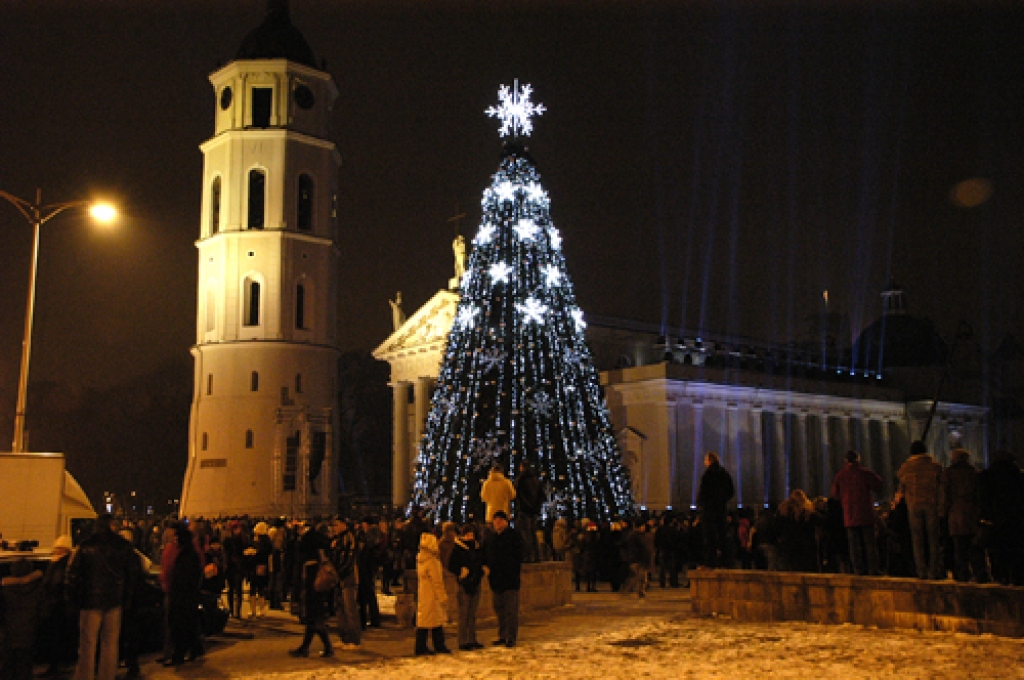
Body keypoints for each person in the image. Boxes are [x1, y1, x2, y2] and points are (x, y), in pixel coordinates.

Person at [65, 513, 138, 680]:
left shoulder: (85, 546)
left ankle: (85, 676)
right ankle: (107, 675)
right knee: (110, 644)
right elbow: (131, 575)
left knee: (87, 646)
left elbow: (72, 575)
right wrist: (126, 598)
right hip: (114, 600)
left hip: (89, 601)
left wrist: (72, 599)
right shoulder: (124, 546)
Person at [831, 449, 883, 575]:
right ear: (858, 459)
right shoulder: (865, 473)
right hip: (866, 514)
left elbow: (835, 495)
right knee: (869, 544)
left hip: (850, 515)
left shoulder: (840, 476)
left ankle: (858, 570)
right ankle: (873, 569)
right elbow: (879, 485)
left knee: (854, 546)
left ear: (846, 460)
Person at [897, 440, 944, 579]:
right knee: (933, 539)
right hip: (931, 504)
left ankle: (921, 570)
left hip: (913, 505)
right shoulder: (935, 466)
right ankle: (934, 570)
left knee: (917, 540)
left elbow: (901, 485)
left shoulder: (906, 467)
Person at [941, 448, 986, 583]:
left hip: (956, 514)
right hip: (972, 514)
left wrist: (942, 513)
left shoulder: (948, 474)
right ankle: (980, 573)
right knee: (975, 546)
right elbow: (979, 495)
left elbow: (944, 496)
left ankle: (962, 574)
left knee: (959, 547)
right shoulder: (974, 473)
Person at [289, 523, 333, 658]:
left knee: (313, 618)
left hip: (311, 587)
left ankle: (325, 647)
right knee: (313, 618)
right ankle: (308, 647)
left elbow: (298, 574)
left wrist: (296, 594)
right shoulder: (321, 549)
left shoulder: (306, 555)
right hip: (319, 586)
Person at [482, 510, 524, 647]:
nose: (498, 522)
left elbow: (520, 555)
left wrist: (512, 569)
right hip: (495, 580)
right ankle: (502, 635)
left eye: (500, 520)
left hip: (510, 579)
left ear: (506, 521)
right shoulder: (490, 538)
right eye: (496, 520)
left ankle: (511, 637)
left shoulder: (514, 536)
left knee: (511, 610)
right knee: (499, 609)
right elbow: (484, 554)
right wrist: (486, 566)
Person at [37, 535, 77, 677]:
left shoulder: (61, 565)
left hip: (57, 609)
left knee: (56, 640)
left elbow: (54, 585)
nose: (56, 551)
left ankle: (56, 668)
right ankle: (55, 666)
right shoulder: (56, 563)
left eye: (59, 548)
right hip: (54, 608)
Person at [166, 527, 204, 666]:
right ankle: (195, 650)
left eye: (177, 537)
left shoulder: (186, 556)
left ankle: (179, 655)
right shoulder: (189, 554)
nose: (175, 540)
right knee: (189, 625)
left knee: (180, 627)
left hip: (183, 597)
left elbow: (184, 578)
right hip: (187, 597)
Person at [0, 559, 43, 680]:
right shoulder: (37, 591)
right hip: (29, 636)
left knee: (7, 667)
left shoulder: (5, 592)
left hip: (7, 637)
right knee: (24, 667)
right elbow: (43, 611)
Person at [446, 523, 484, 651]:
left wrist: (481, 571)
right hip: (464, 584)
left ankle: (472, 639)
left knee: (472, 614)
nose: (470, 537)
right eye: (467, 535)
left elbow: (480, 562)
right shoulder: (458, 549)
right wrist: (460, 571)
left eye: (471, 534)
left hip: (476, 582)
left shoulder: (477, 547)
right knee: (464, 614)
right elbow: (451, 565)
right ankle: (463, 641)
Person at [414, 533, 451, 655]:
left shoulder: (420, 559)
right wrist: (442, 597)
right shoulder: (432, 561)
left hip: (423, 593)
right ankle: (437, 645)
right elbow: (437, 581)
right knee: (436, 620)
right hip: (432, 595)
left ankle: (421, 645)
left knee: (424, 620)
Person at [697, 451, 735, 568]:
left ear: (709, 461)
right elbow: (731, 491)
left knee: (709, 537)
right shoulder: (724, 474)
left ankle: (710, 562)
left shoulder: (707, 475)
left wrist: (702, 503)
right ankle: (726, 561)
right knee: (723, 535)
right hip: (721, 508)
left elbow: (703, 492)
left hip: (709, 510)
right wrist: (722, 499)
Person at [329, 517, 361, 649]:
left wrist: (339, 572)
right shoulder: (338, 539)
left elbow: (349, 559)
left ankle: (354, 639)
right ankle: (344, 637)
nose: (334, 528)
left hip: (348, 577)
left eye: (336, 525)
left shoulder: (349, 538)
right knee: (340, 608)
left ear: (343, 524)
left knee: (350, 608)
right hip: (339, 577)